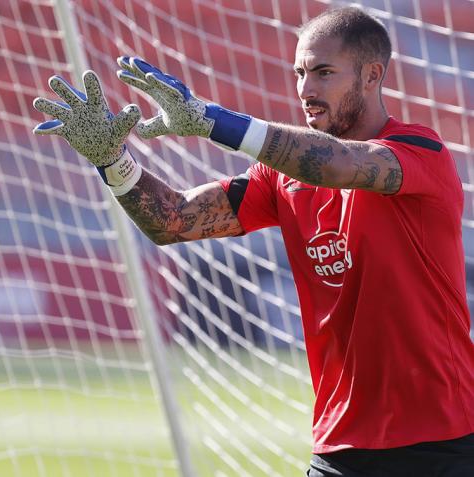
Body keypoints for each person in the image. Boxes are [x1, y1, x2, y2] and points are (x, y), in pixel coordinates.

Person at [33, 6, 474, 476]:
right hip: (340, 447)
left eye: (324, 73)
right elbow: (174, 221)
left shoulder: (420, 152)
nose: (306, 90)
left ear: (371, 75)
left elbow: (340, 164)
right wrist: (112, 160)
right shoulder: (279, 178)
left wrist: (211, 120)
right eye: (300, 73)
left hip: (444, 443)